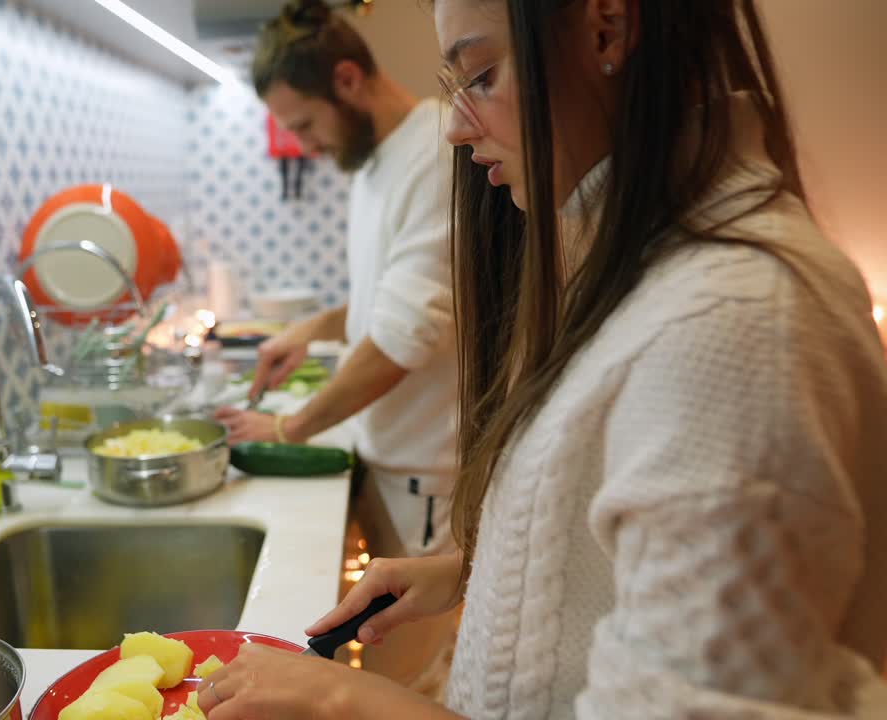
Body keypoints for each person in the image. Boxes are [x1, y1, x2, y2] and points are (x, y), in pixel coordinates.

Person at [197, 1, 887, 718]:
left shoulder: (731, 325)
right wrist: (474, 571)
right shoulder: (639, 268)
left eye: (482, 76)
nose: (457, 129)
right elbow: (610, 525)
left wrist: (340, 697)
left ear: (606, 28)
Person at [213, 0, 462, 693]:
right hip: (390, 457)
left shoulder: (436, 155)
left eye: (303, 124)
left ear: (347, 80)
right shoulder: (378, 161)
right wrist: (313, 328)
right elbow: (391, 299)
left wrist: (289, 427)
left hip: (426, 471)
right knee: (387, 660)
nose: (304, 144)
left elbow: (403, 338)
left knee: (400, 677)